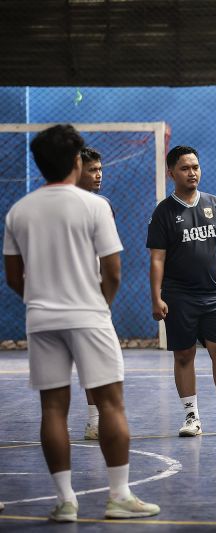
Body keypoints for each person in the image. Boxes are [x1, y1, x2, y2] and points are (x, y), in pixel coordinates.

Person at [3, 124, 159, 521]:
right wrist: (98, 304)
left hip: (41, 318)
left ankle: (65, 501)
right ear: (76, 161)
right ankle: (119, 496)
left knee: (53, 410)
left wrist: (41, 302)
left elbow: (13, 277)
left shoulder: (19, 211)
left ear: (39, 164)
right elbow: (114, 271)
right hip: (89, 314)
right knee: (111, 403)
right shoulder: (94, 206)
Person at [147, 146, 216, 437]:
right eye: (185, 168)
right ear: (171, 173)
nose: (192, 173)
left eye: (195, 167)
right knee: (183, 355)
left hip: (214, 294)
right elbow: (157, 259)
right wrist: (156, 297)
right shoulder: (164, 212)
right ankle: (191, 417)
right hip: (178, 296)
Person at [77, 147, 107, 441]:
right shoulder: (56, 206)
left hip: (93, 297)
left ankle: (95, 420)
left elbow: (109, 258)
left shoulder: (103, 206)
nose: (98, 175)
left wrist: (103, 296)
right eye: (92, 170)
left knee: (96, 362)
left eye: (100, 169)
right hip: (62, 298)